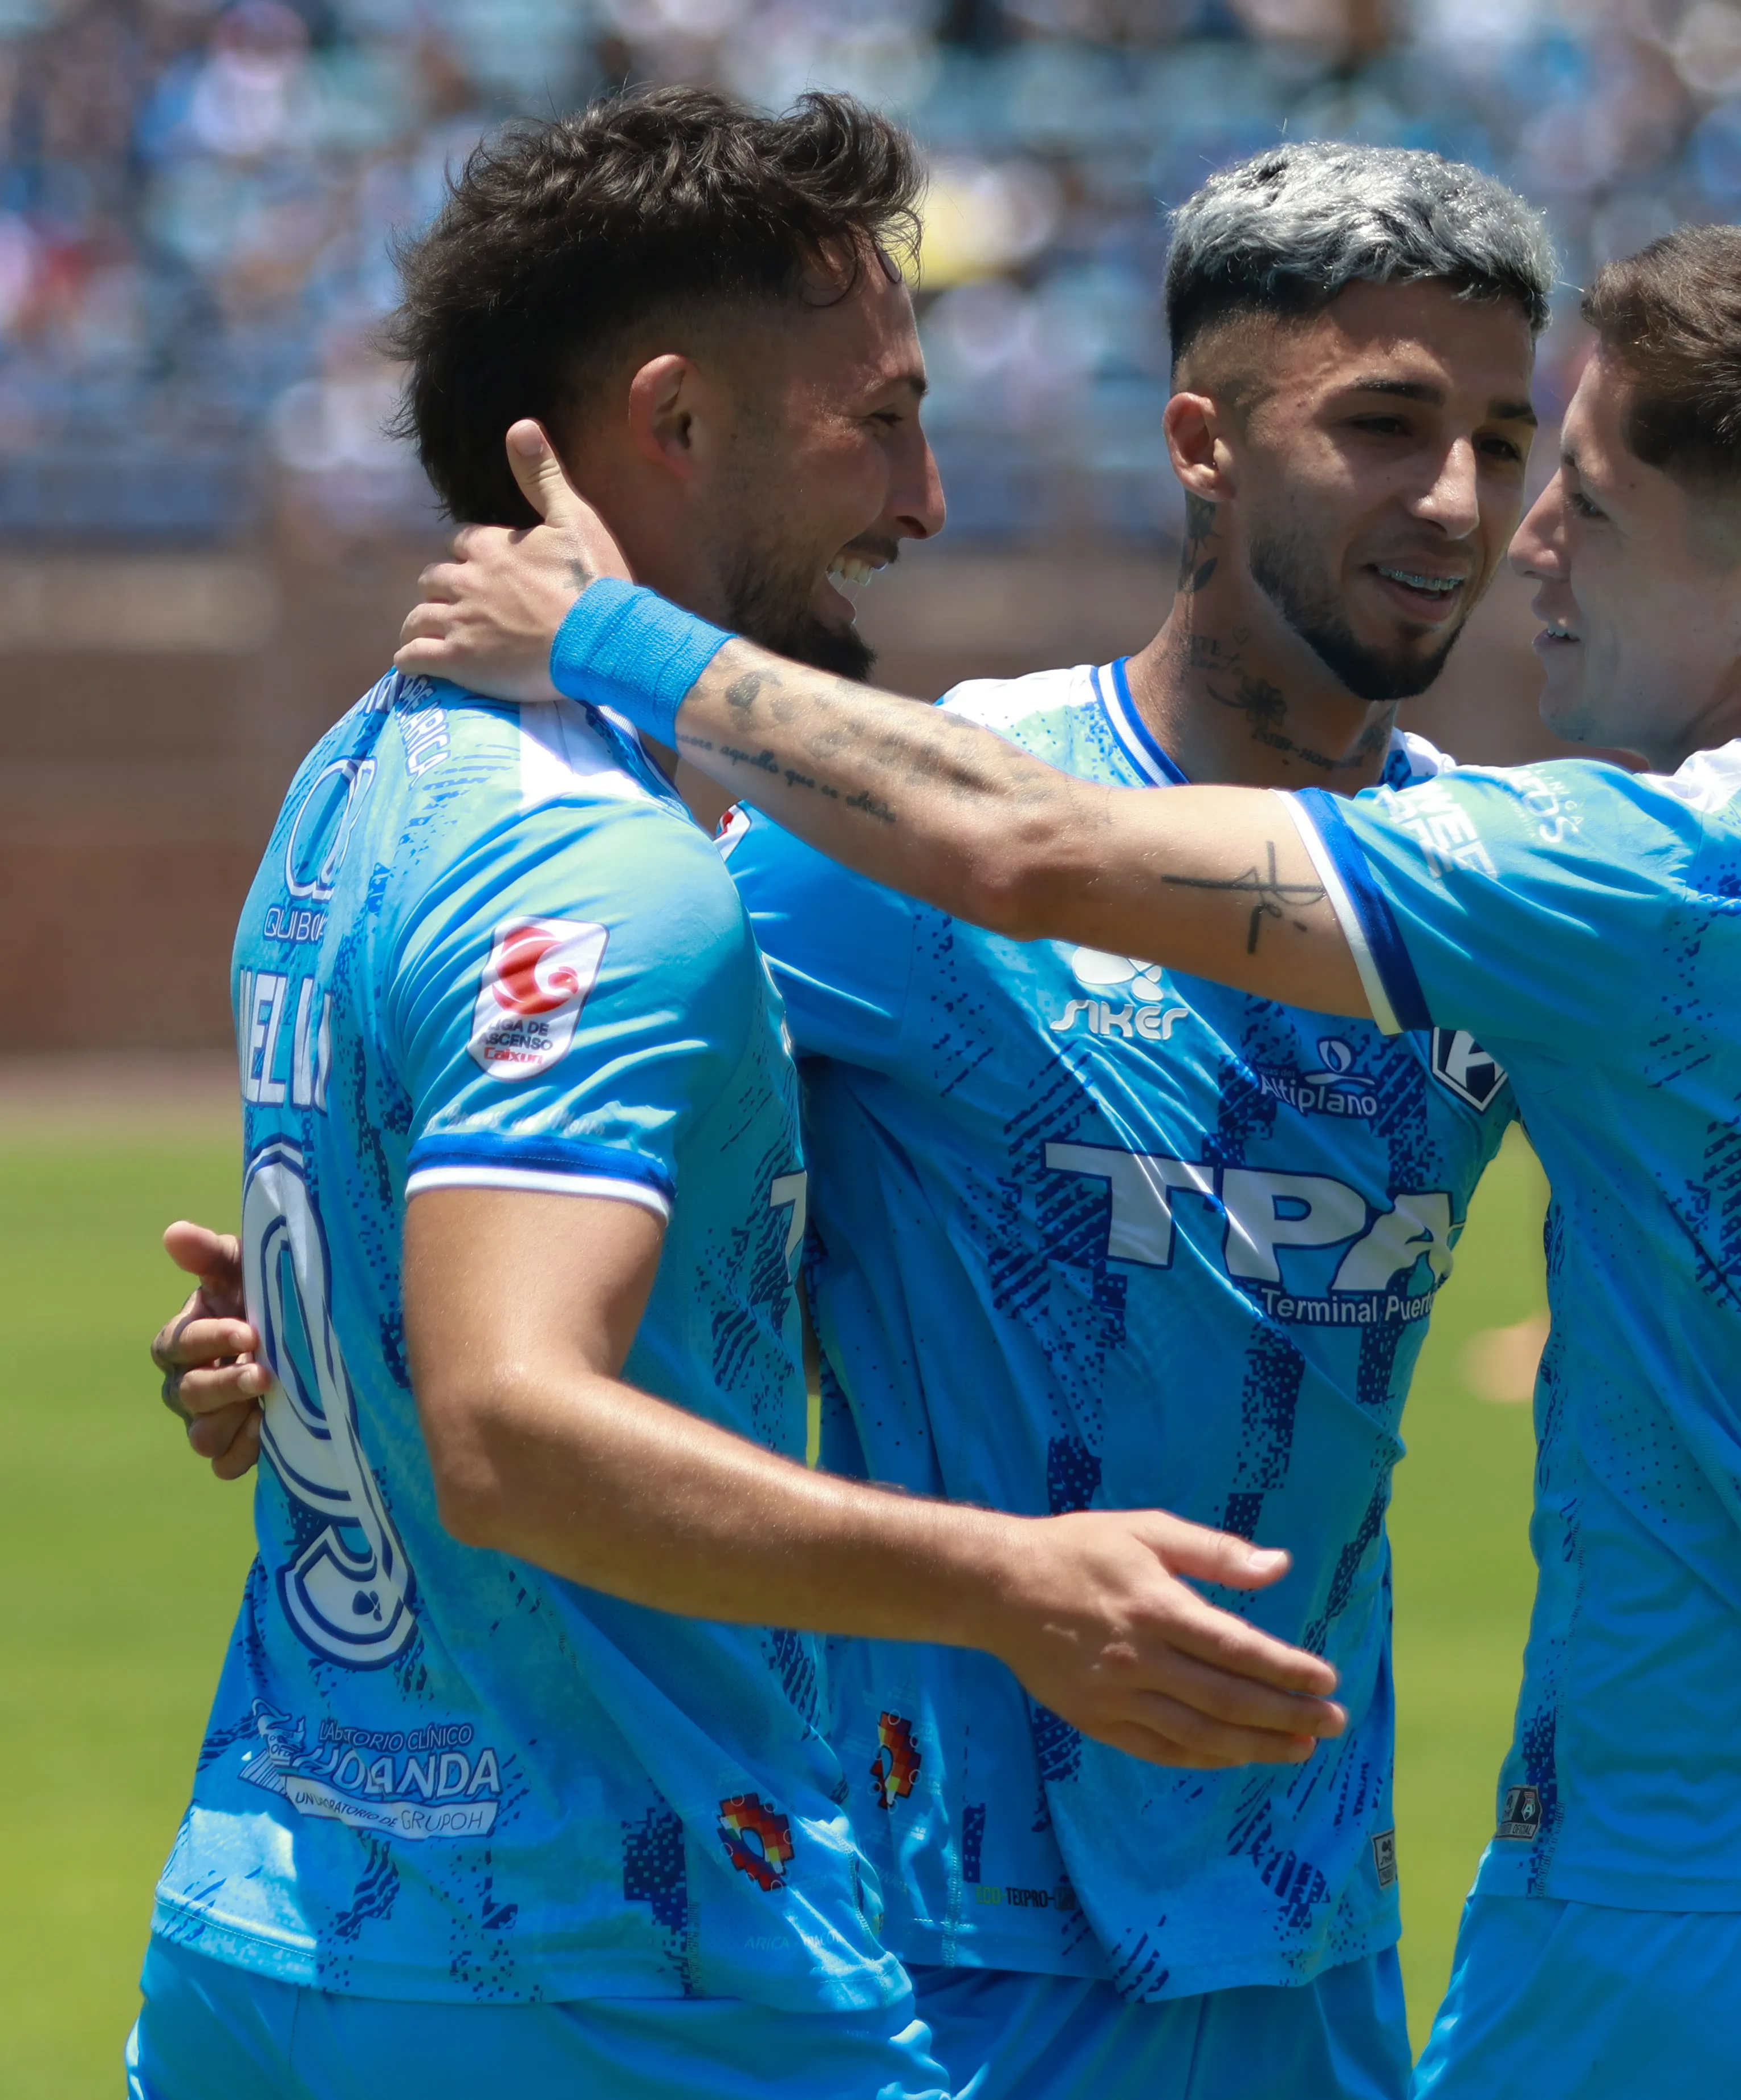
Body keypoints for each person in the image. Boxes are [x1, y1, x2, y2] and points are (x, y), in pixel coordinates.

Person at [154, 147, 1741, 2098]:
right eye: (1380, 424)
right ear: (1203, 444)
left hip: (1307, 1933)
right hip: (937, 1943)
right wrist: (322, 1323)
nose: (1450, 499)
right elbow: (536, 1099)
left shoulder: (1498, 896)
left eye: (1505, 443)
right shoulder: (892, 835)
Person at [124, 86, 1361, 2100]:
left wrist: (301, 1350)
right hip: (616, 1969)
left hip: (287, 1912)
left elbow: (417, 1319)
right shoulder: (605, 873)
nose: (928, 493)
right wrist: (1012, 1582)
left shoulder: (356, 776)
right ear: (676, 422)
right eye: (877, 417)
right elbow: (517, 1423)